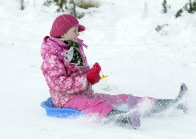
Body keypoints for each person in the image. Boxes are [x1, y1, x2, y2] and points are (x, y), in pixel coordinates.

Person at [40, 14, 187, 129]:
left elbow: (81, 74)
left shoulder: (74, 47)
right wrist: (87, 80)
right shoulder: (52, 54)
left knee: (123, 98)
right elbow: (57, 83)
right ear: (63, 33)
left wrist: (93, 75)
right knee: (98, 106)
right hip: (66, 100)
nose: (78, 34)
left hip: (85, 93)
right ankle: (126, 119)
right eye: (74, 31)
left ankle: (172, 103)